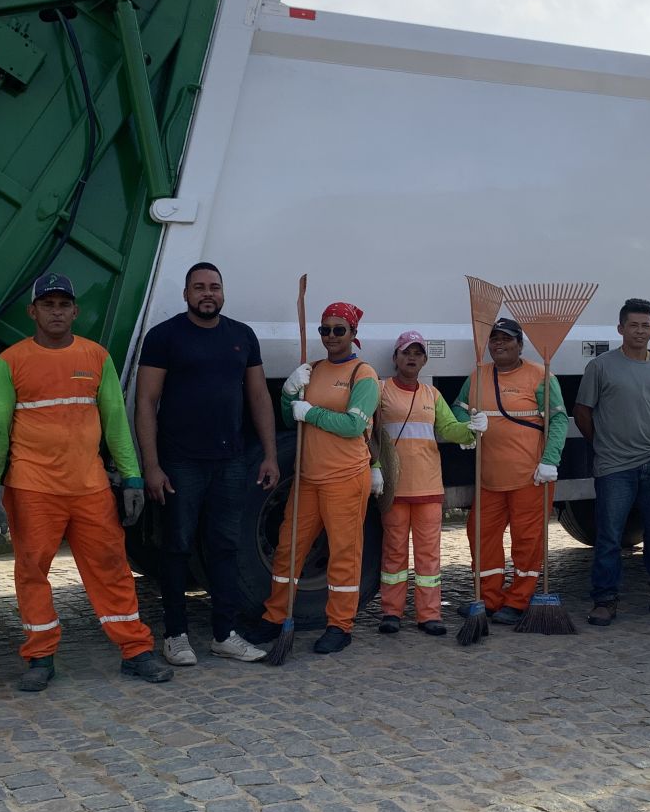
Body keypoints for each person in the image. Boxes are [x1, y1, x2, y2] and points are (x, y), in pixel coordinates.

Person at [0, 273, 171, 691]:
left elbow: (116, 422)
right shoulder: (11, 362)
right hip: (32, 488)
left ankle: (136, 651)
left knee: (112, 568)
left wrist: (132, 477)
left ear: (75, 311)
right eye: (48, 304)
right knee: (32, 571)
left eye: (64, 304)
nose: (57, 311)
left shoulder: (96, 357)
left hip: (90, 487)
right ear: (33, 311)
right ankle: (40, 656)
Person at [135, 262, 277, 666]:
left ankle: (224, 634)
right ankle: (176, 635)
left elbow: (259, 398)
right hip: (180, 462)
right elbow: (146, 402)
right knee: (176, 547)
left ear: (223, 292)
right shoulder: (164, 337)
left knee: (225, 547)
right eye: (198, 287)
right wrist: (152, 465)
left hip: (231, 460)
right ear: (185, 294)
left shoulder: (241, 337)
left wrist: (269, 454)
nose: (207, 294)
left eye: (214, 287)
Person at [241, 301, 379, 655]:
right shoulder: (312, 368)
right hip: (308, 478)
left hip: (346, 478)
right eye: (324, 330)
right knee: (288, 549)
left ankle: (340, 625)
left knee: (344, 555)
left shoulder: (363, 374)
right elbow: (292, 423)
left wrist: (311, 411)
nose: (330, 336)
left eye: (338, 330)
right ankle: (274, 617)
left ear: (353, 334)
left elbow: (354, 426)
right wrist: (289, 395)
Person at [573, 298, 650, 625]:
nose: (639, 331)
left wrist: (649, 439)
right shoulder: (601, 366)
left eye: (645, 325)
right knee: (609, 535)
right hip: (614, 467)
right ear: (620, 329)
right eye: (633, 325)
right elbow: (582, 412)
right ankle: (605, 600)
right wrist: (603, 444)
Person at [451, 317, 569, 626]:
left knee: (526, 541)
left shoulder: (540, 375)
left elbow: (558, 420)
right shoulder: (478, 375)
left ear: (520, 344)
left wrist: (550, 460)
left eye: (506, 338)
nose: (499, 344)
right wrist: (465, 427)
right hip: (489, 478)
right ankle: (489, 598)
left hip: (530, 476)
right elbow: (459, 407)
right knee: (481, 536)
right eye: (494, 339)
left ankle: (519, 599)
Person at [375, 331, 483, 635]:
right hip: (394, 488)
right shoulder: (380, 390)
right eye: (406, 352)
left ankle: (429, 614)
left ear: (424, 360)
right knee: (393, 552)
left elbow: (449, 428)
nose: (411, 357)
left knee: (429, 555)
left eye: (418, 353)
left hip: (428, 488)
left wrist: (470, 429)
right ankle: (391, 613)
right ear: (395, 357)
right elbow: (368, 433)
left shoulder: (431, 395)